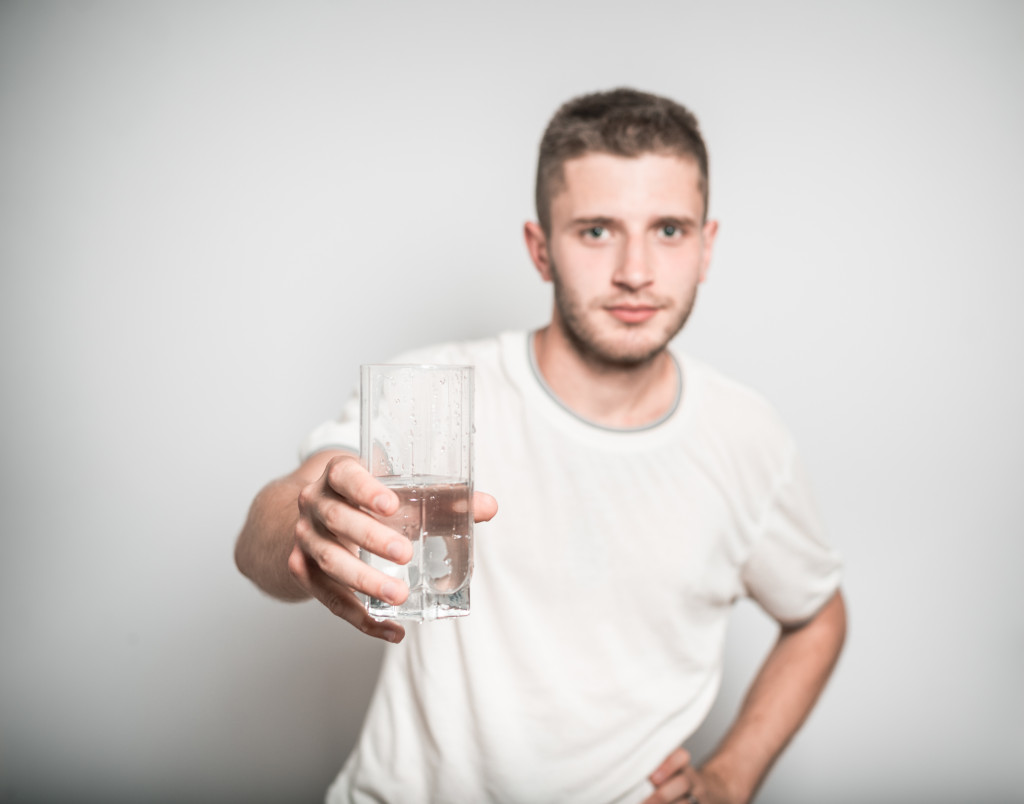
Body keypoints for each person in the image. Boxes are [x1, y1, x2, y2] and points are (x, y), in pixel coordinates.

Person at [235, 87, 847, 804]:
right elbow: (259, 545)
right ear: (540, 248)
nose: (636, 271)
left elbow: (818, 615)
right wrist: (309, 516)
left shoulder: (747, 438)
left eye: (669, 231)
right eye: (596, 231)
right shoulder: (434, 390)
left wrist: (732, 776)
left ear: (706, 247)